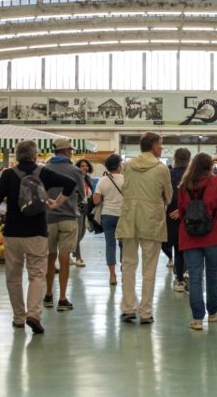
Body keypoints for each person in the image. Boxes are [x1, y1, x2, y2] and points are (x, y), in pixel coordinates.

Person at [0, 140, 76, 334]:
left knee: (13, 276)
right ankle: (33, 314)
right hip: (37, 231)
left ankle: (19, 317)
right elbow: (70, 183)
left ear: (16, 155)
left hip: (12, 233)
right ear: (35, 155)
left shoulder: (8, 174)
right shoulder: (43, 172)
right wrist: (56, 203)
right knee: (36, 275)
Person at [175, 153, 217, 330]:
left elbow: (182, 211)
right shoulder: (216, 182)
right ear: (209, 166)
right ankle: (213, 312)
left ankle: (197, 318)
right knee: (213, 274)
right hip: (213, 235)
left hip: (190, 236)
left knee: (195, 275)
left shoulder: (183, 186)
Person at [118, 132, 172, 324]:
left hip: (129, 217)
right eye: (161, 144)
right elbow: (169, 196)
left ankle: (128, 308)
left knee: (128, 265)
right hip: (152, 219)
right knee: (149, 268)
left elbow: (126, 189)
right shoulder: (161, 168)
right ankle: (146, 312)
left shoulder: (128, 166)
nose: (162, 148)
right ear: (153, 146)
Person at [44, 138, 86, 312]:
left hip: (48, 218)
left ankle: (47, 295)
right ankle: (62, 298)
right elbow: (82, 195)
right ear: (67, 151)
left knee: (50, 256)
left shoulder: (44, 169)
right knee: (64, 257)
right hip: (68, 217)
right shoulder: (75, 171)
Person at [92, 153, 124, 287]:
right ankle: (124, 270)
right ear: (118, 165)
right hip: (123, 216)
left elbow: (96, 200)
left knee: (110, 245)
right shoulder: (126, 179)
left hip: (108, 215)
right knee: (124, 245)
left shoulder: (102, 180)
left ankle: (112, 275)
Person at [165, 148, 191, 293]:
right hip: (190, 211)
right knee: (189, 246)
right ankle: (188, 273)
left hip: (171, 211)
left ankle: (180, 280)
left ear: (175, 158)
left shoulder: (169, 173)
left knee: (177, 247)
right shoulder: (192, 174)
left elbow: (164, 193)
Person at [73, 158, 97, 268]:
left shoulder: (89, 179)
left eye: (86, 166)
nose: (84, 168)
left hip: (86, 207)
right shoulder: (74, 178)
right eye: (82, 166)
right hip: (76, 207)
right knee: (77, 233)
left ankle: (70, 253)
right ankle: (78, 257)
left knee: (82, 233)